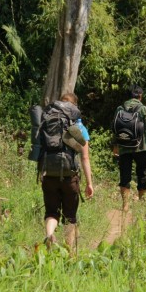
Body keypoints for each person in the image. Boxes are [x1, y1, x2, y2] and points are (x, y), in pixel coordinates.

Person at [42, 93, 94, 252]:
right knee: (70, 216)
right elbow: (85, 158)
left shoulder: (49, 122)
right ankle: (68, 251)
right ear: (74, 107)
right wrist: (89, 183)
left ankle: (50, 234)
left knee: (51, 212)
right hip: (69, 177)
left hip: (49, 175)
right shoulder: (78, 127)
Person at [113, 84, 146, 212]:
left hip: (123, 147)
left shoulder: (120, 108)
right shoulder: (143, 109)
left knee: (125, 176)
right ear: (140, 95)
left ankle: (125, 205)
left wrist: (115, 145)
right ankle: (142, 203)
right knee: (142, 174)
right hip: (141, 147)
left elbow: (116, 128)